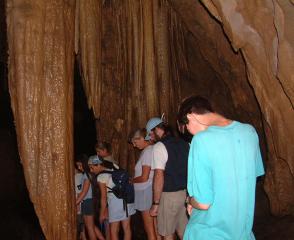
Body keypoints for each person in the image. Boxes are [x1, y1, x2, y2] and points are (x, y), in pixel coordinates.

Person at [177, 95, 265, 240]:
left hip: (208, 232)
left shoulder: (201, 140)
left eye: (186, 126)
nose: (189, 132)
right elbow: (245, 180)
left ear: (190, 116)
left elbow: (203, 203)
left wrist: (189, 200)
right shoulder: (250, 132)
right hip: (242, 233)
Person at [146, 117, 189, 240]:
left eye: (151, 134)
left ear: (157, 130)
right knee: (184, 233)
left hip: (169, 196)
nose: (152, 138)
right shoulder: (183, 143)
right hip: (185, 195)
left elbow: (159, 176)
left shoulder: (159, 146)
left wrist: (156, 203)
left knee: (167, 233)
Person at [89, 155, 136, 240]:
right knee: (127, 228)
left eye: (92, 168)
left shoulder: (101, 177)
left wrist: (102, 213)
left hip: (115, 203)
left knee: (113, 230)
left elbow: (103, 197)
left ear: (98, 165)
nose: (91, 170)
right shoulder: (114, 167)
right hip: (127, 199)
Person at [129, 128, 158, 240]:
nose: (135, 146)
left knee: (149, 229)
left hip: (145, 192)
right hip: (149, 190)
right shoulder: (150, 150)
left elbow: (144, 177)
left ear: (142, 138)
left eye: (135, 142)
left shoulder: (147, 152)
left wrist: (132, 180)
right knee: (155, 227)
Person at [76, 155, 105, 240]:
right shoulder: (89, 174)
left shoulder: (86, 175)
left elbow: (84, 192)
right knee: (92, 226)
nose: (79, 167)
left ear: (85, 164)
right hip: (89, 202)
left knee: (90, 228)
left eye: (80, 165)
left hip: (88, 202)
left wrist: (76, 203)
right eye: (77, 165)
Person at [75, 157, 87, 240]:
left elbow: (79, 192)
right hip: (80, 205)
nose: (79, 167)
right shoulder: (80, 176)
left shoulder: (78, 177)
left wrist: (78, 208)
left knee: (81, 228)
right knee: (82, 229)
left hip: (79, 206)